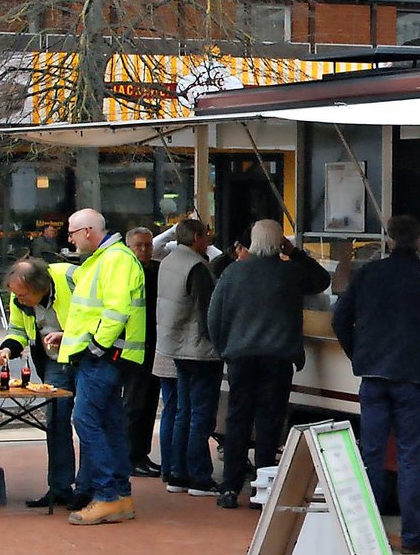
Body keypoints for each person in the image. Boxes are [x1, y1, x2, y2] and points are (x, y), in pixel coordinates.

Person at [332, 214, 420, 553]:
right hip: (412, 378)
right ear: (419, 242)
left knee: (371, 455)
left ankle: (367, 535)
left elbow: (340, 319)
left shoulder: (367, 275)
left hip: (372, 377)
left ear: (387, 239)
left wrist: (358, 355)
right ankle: (412, 536)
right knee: (409, 458)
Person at [208, 220, 330, 509]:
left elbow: (214, 316)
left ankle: (230, 486)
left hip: (240, 355)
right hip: (278, 357)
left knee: (237, 420)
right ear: (279, 242)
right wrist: (296, 252)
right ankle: (262, 488)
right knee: (269, 421)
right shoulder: (290, 273)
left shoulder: (233, 272)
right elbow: (322, 280)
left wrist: (224, 348)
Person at [59, 208, 147, 527]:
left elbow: (115, 309)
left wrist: (95, 345)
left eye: (71, 232)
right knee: (109, 424)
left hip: (103, 355)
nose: (68, 238)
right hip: (107, 354)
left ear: (87, 231)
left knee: (85, 419)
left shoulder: (113, 259)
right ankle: (119, 495)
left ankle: (108, 494)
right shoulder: (109, 258)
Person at [0, 257, 88, 509]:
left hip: (86, 356)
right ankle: (59, 487)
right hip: (54, 361)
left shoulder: (71, 276)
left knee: (87, 420)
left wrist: (69, 337)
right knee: (56, 420)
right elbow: (18, 330)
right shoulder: (19, 297)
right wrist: (7, 349)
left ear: (40, 287)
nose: (19, 299)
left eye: (24, 295)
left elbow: (95, 314)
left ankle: (88, 487)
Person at [157, 218, 219, 497]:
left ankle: (177, 472)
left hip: (174, 344)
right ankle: (199, 476)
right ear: (196, 237)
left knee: (183, 411)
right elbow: (207, 312)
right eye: (205, 235)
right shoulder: (198, 267)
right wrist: (219, 342)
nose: (208, 240)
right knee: (200, 414)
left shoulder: (168, 261)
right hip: (199, 349)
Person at [122, 226, 161, 478]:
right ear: (129, 248)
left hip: (155, 343)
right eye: (140, 245)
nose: (145, 249)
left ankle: (141, 453)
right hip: (133, 346)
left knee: (149, 402)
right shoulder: (126, 273)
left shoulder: (157, 269)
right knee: (135, 403)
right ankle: (131, 455)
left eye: (148, 245)